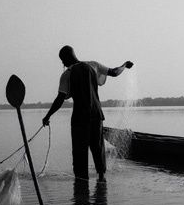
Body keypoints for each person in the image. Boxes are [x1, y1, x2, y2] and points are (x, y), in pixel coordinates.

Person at [43, 45, 133, 181]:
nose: (63, 63)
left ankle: (81, 187)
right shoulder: (94, 66)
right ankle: (102, 182)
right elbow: (114, 72)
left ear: (67, 57)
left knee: (80, 155)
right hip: (96, 117)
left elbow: (60, 99)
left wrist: (48, 116)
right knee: (98, 150)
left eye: (62, 60)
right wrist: (124, 65)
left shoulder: (67, 74)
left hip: (80, 119)